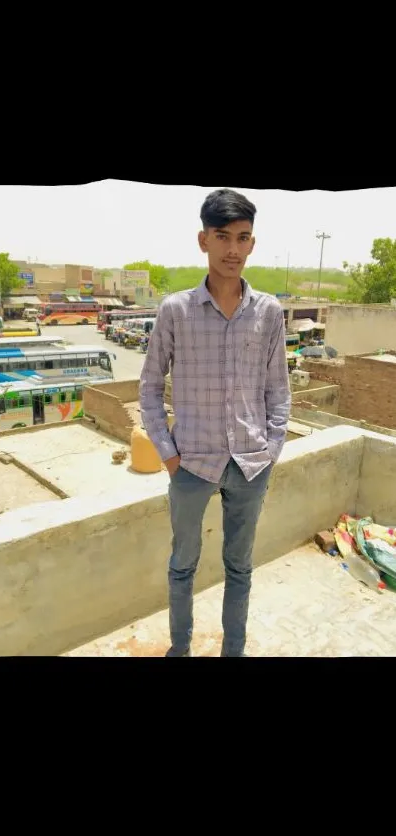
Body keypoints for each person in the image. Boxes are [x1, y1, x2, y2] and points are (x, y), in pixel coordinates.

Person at [140, 188, 291, 657]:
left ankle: (234, 651)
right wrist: (169, 455)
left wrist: (271, 449)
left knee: (240, 568)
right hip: (191, 465)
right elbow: (148, 388)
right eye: (222, 237)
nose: (232, 249)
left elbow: (278, 390)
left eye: (242, 238)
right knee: (183, 565)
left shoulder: (268, 312)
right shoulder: (176, 311)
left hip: (250, 465)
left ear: (252, 244)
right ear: (203, 240)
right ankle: (180, 649)